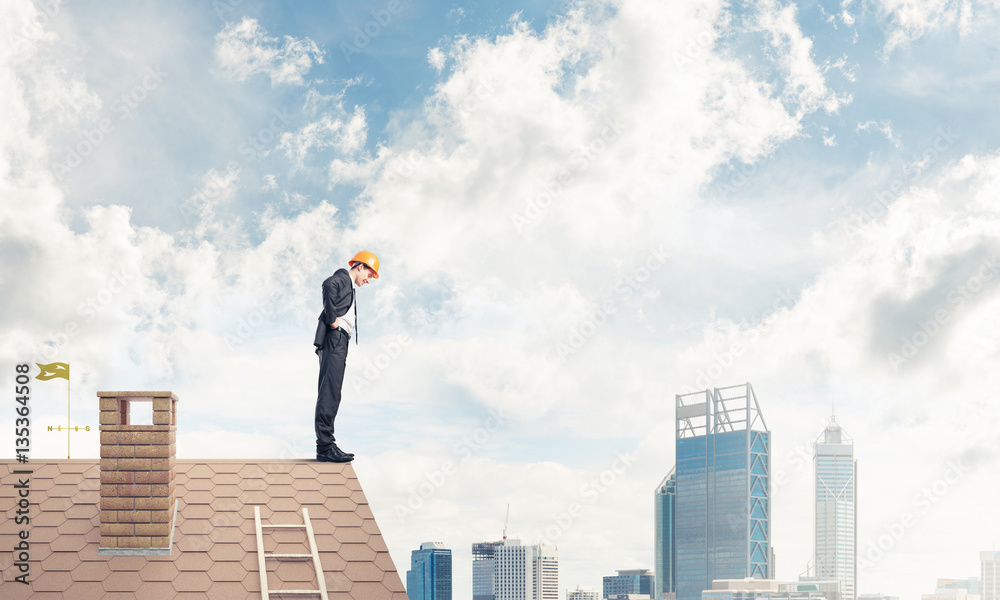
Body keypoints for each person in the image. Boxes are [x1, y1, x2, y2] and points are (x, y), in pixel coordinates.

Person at [313, 251, 380, 462]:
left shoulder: (349, 286)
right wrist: (332, 319)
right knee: (330, 391)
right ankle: (325, 446)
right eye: (369, 275)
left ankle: (327, 444)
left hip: (339, 341)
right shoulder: (343, 277)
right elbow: (327, 284)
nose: (368, 281)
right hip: (334, 338)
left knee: (333, 391)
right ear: (360, 267)